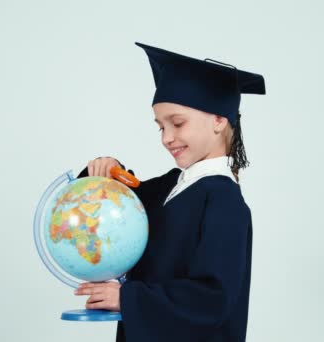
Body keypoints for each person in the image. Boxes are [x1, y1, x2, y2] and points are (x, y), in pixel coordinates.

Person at [74, 42, 265, 341]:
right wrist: (105, 172)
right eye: (160, 127)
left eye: (177, 123)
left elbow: (213, 298)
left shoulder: (224, 201)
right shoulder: (173, 185)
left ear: (218, 120)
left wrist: (129, 299)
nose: (166, 138)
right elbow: (120, 207)